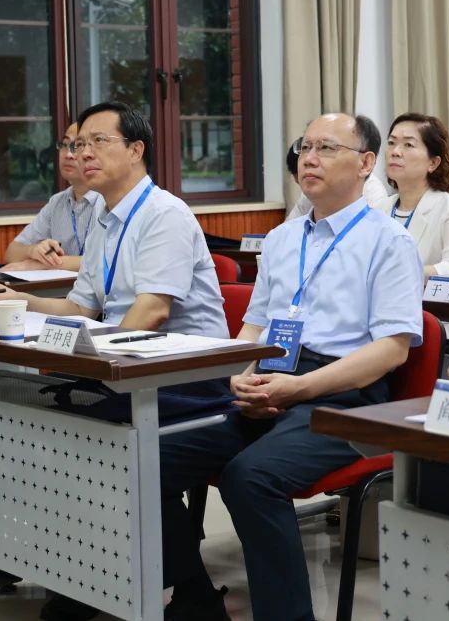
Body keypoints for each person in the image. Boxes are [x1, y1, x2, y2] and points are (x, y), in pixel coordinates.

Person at [155, 113, 424, 621]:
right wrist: (239, 375)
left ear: (365, 164)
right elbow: (254, 328)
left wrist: (296, 389)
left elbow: (390, 351)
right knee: (149, 459)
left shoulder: (389, 241)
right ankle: (194, 598)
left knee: (250, 477)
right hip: (272, 380)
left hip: (346, 398)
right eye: (305, 147)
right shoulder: (282, 238)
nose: (309, 158)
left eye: (327, 148)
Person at [0, 102, 227, 342]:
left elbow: (153, 311)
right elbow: (79, 308)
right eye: (80, 144)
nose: (84, 154)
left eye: (99, 141)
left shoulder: (165, 213)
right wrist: (18, 299)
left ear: (135, 151)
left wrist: (101, 355)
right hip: (127, 352)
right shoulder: (104, 221)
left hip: (189, 359)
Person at [380, 112, 449, 342]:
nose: (395, 151)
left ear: (433, 163)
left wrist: (399, 272)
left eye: (408, 145)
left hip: (440, 331)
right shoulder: (378, 209)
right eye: (391, 143)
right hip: (383, 325)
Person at [2, 121, 103, 273]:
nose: (68, 154)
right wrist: (33, 251)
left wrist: (46, 264)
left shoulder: (110, 199)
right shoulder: (57, 202)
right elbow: (11, 253)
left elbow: (107, 260)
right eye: (64, 145)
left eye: (77, 146)